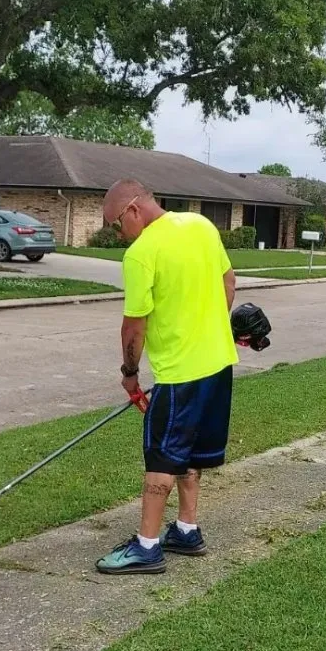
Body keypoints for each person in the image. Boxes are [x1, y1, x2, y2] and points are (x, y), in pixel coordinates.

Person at [96, 180, 238, 575]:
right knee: (187, 450)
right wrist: (209, 328)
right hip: (218, 363)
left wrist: (129, 374)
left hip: (180, 374)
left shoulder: (141, 253)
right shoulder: (201, 225)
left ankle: (146, 546)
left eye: (115, 225)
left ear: (134, 210)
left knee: (161, 453)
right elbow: (229, 282)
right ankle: (187, 531)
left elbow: (133, 327)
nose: (116, 234)